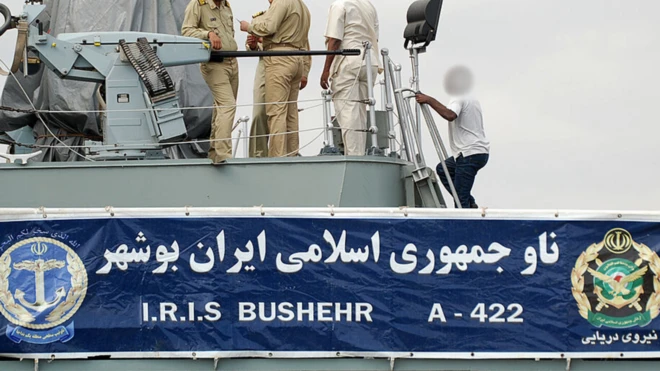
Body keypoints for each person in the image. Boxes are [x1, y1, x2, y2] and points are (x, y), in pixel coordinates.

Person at [240, 0, 311, 158]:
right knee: (290, 113)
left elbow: (269, 27)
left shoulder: (281, 3)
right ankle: (291, 154)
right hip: (295, 58)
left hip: (279, 59)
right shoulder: (302, 7)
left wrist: (248, 27)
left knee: (276, 112)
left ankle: (277, 157)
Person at [415, 66, 490, 209]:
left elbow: (450, 115)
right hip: (478, 152)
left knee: (459, 202)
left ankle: (465, 220)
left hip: (468, 154)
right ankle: (470, 201)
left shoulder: (458, 97)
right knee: (443, 169)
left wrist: (429, 100)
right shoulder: (472, 98)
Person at [321, 0, 381, 156]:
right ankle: (359, 154)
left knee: (348, 114)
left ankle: (354, 158)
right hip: (369, 61)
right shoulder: (369, 6)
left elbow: (334, 40)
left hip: (348, 60)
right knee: (360, 113)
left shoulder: (339, 5)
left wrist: (326, 70)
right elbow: (375, 37)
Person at [182, 0, 239, 163]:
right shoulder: (197, 5)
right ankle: (223, 154)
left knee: (222, 107)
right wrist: (208, 34)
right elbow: (187, 31)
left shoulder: (226, 6)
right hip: (214, 63)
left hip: (232, 62)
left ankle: (215, 152)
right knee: (227, 105)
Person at [246, 9, 269, 158]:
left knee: (284, 114)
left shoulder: (291, 11)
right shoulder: (259, 18)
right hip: (265, 65)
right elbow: (250, 49)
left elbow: (302, 43)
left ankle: (283, 153)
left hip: (286, 63)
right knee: (259, 112)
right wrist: (253, 44)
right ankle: (258, 155)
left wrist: (304, 73)